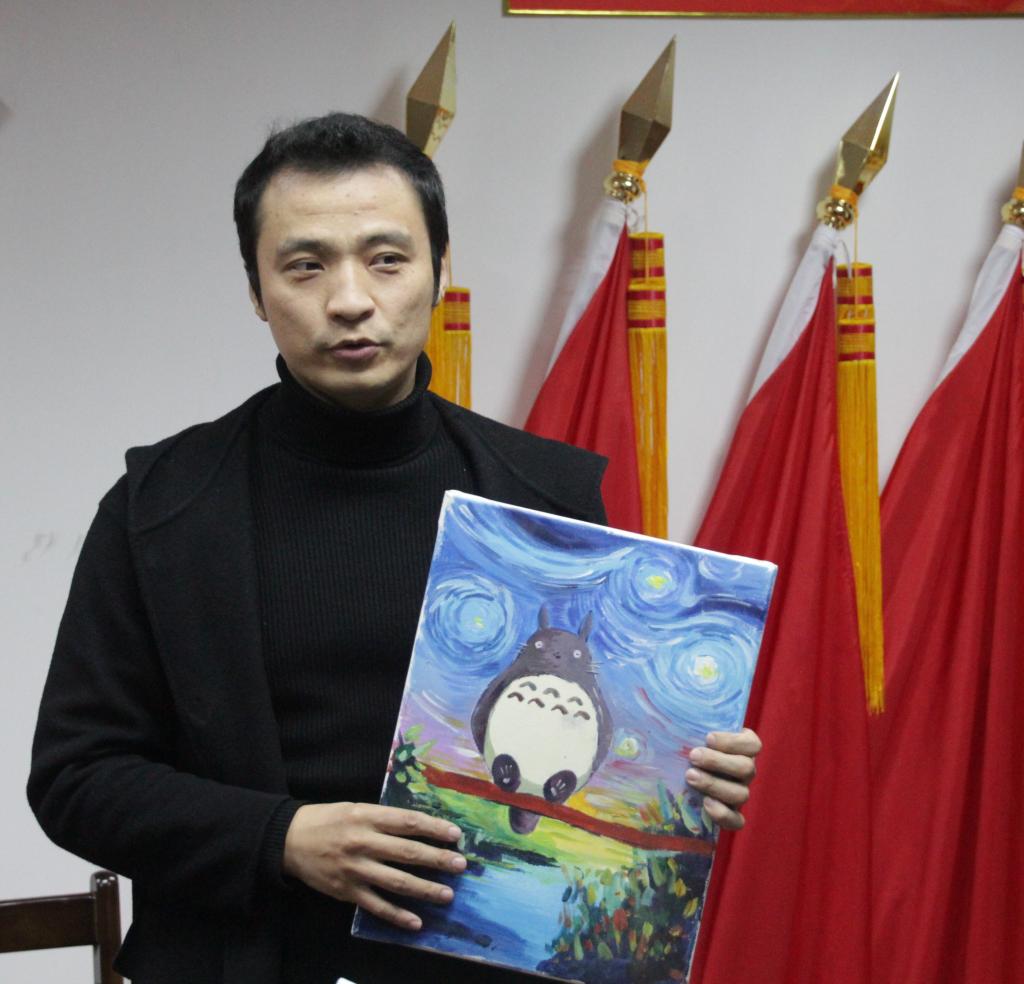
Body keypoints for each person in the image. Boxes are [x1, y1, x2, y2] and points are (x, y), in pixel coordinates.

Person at [28, 112, 762, 984]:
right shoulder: (162, 505)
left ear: (442, 270)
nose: (349, 299)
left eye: (386, 259)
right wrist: (281, 837)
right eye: (305, 265)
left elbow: (597, 743)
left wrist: (682, 774)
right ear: (257, 290)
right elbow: (76, 777)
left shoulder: (545, 498)